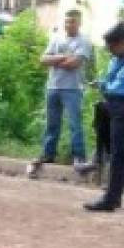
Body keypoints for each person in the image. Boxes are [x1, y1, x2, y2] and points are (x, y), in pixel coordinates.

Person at [29, 9, 94, 177]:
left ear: (79, 23)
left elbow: (74, 64)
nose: (68, 24)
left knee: (74, 124)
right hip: (53, 86)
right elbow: (43, 59)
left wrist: (55, 59)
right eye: (66, 21)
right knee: (52, 123)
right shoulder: (56, 37)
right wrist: (63, 56)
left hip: (73, 88)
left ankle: (79, 157)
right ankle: (48, 154)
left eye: (72, 21)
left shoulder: (84, 41)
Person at [84, 23, 124, 212]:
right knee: (113, 152)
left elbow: (121, 86)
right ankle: (113, 194)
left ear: (123, 43)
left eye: (112, 46)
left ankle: (111, 199)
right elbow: (110, 81)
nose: (109, 50)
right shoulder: (116, 59)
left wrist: (104, 86)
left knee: (119, 155)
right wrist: (101, 83)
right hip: (113, 106)